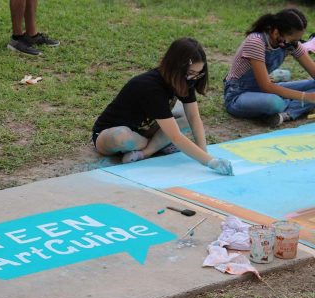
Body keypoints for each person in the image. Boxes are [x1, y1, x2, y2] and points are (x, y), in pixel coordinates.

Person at [92, 38, 234, 176]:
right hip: (110, 135)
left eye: (198, 74)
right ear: (175, 67)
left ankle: (145, 152)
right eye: (191, 73)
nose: (193, 79)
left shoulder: (185, 80)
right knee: (121, 136)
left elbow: (194, 118)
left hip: (146, 130)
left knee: (186, 119)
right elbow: (175, 136)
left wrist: (204, 153)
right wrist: (210, 162)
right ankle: (155, 144)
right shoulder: (151, 86)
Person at [224, 8, 315, 127]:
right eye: (293, 40)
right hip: (239, 94)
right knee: (274, 103)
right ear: (276, 32)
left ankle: (285, 113)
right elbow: (266, 86)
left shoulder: (290, 44)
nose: (296, 44)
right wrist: (305, 97)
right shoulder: (256, 41)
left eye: (298, 40)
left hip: (268, 89)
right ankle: (293, 105)